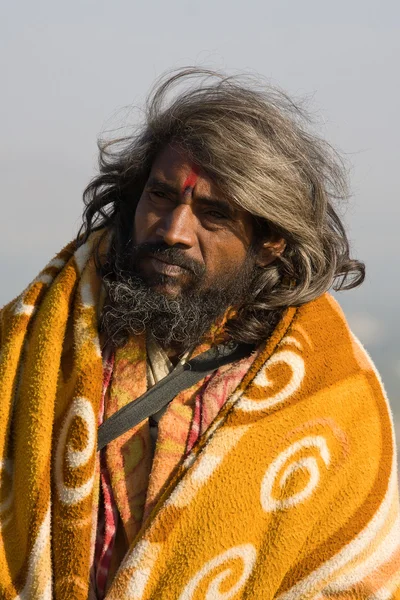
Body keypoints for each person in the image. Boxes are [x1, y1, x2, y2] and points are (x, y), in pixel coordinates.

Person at [0, 68, 399, 600]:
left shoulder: (330, 396)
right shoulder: (35, 337)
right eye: (161, 197)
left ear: (270, 240)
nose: (173, 232)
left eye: (213, 214)